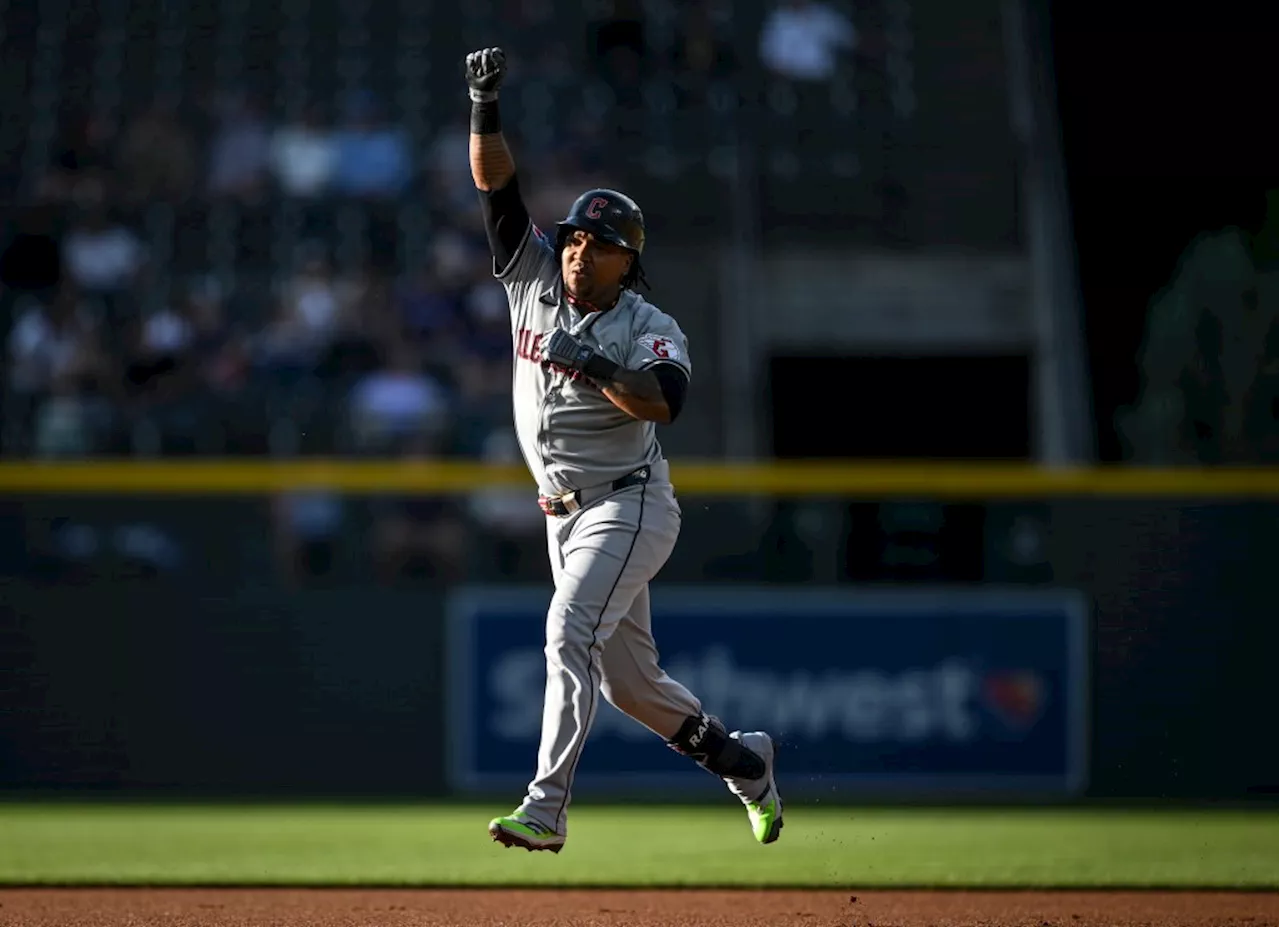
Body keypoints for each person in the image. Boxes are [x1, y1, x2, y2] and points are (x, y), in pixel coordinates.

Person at [463, 47, 783, 854]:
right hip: (560, 516)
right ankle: (745, 763)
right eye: (574, 239)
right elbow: (497, 186)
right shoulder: (532, 277)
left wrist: (598, 364)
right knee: (631, 685)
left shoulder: (651, 327)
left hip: (628, 502)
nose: (578, 252)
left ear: (627, 260)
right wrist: (484, 105)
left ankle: (545, 807)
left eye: (598, 245)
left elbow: (663, 403)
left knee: (567, 630)